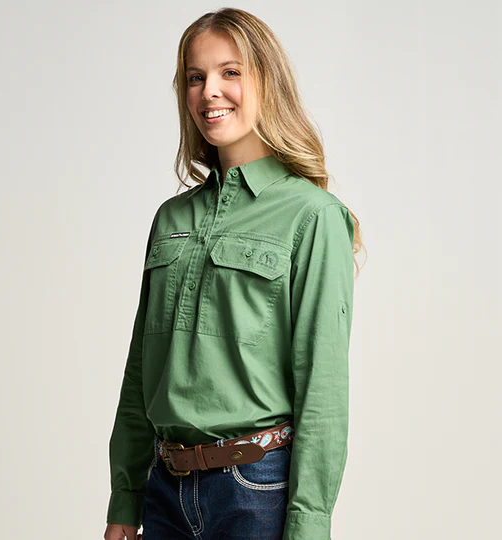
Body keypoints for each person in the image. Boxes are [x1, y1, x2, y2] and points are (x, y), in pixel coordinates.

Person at [103, 7, 365, 540]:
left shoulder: (313, 216)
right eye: (195, 78)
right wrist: (124, 498)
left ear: (267, 81)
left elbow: (323, 387)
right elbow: (140, 372)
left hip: (257, 492)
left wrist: (309, 525)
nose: (210, 92)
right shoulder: (171, 219)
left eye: (230, 72)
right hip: (164, 491)